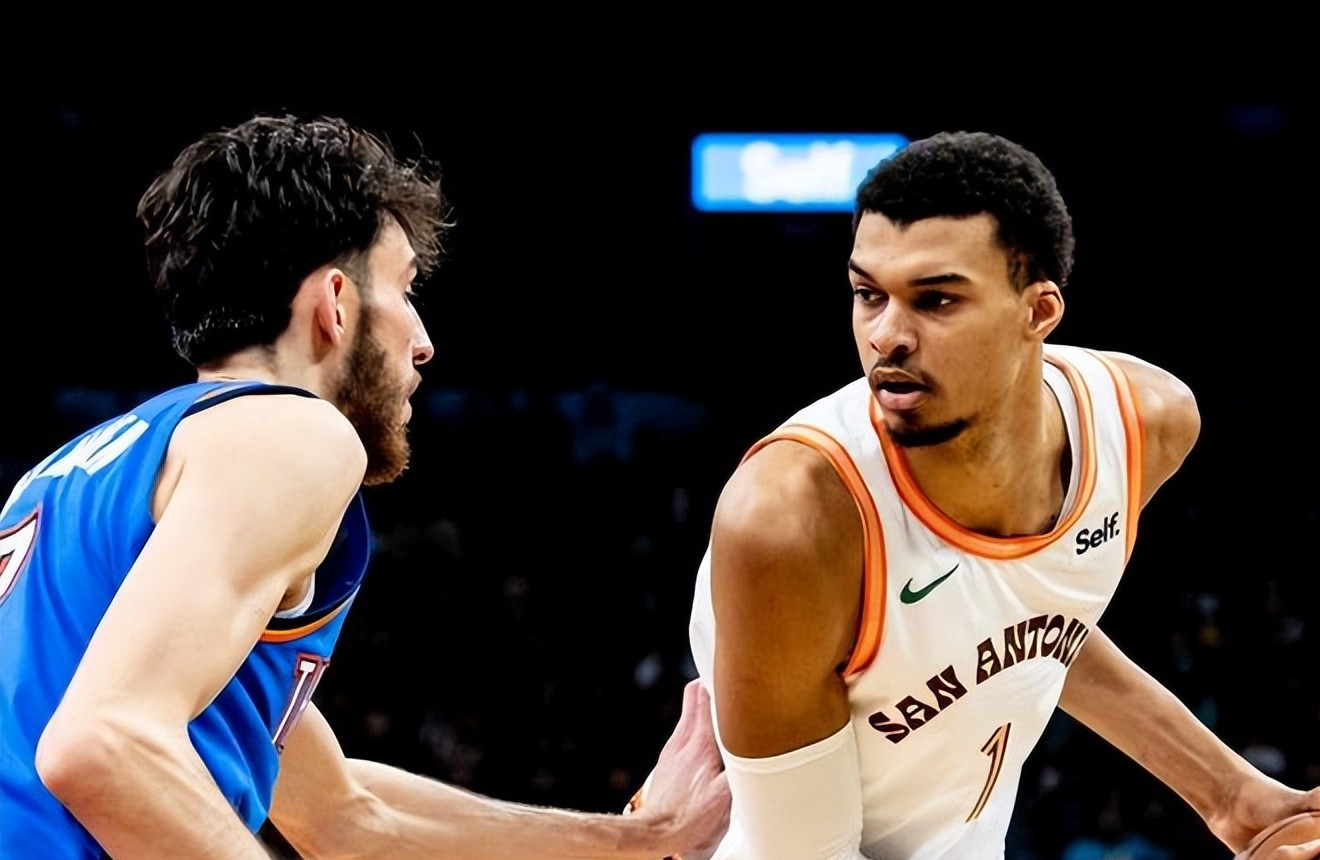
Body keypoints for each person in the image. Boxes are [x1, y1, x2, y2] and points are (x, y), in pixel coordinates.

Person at [0, 112, 728, 860]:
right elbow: (102, 742)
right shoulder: (290, 434)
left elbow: (345, 817)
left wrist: (643, 838)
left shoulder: (77, 470)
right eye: (406, 290)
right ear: (336, 301)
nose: (424, 341)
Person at [680, 130, 1320, 858]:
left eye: (936, 299)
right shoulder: (790, 519)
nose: (887, 336)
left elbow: (1028, 620)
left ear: (1039, 312)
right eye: (868, 295)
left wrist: (1233, 799)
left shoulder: (1145, 424)